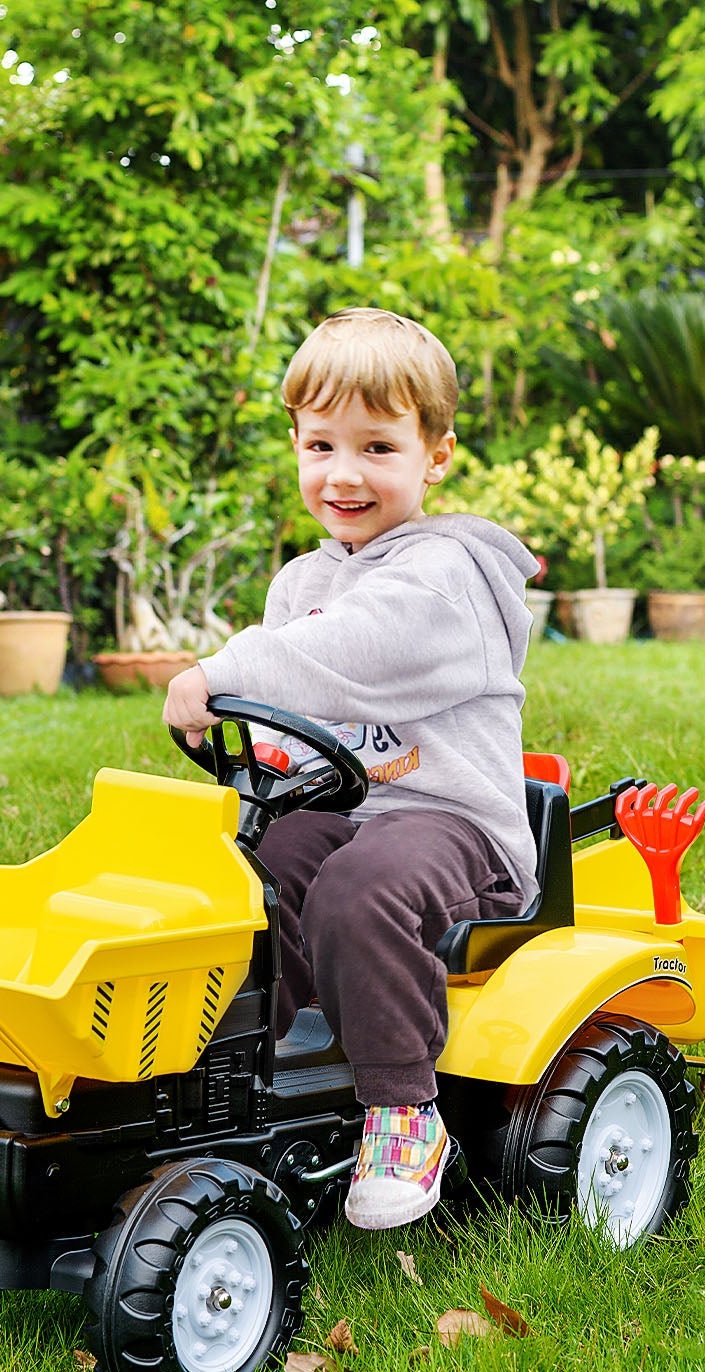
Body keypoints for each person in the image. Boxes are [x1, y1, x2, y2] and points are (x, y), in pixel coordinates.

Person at [162, 307, 538, 1230]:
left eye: (377, 447)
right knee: (256, 875)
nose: (344, 474)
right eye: (322, 444)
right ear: (294, 442)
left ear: (435, 456)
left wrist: (219, 672)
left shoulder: (446, 575)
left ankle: (406, 1111)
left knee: (356, 888)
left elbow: (351, 653)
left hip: (454, 832)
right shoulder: (302, 581)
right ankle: (216, 1077)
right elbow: (301, 710)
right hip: (350, 810)